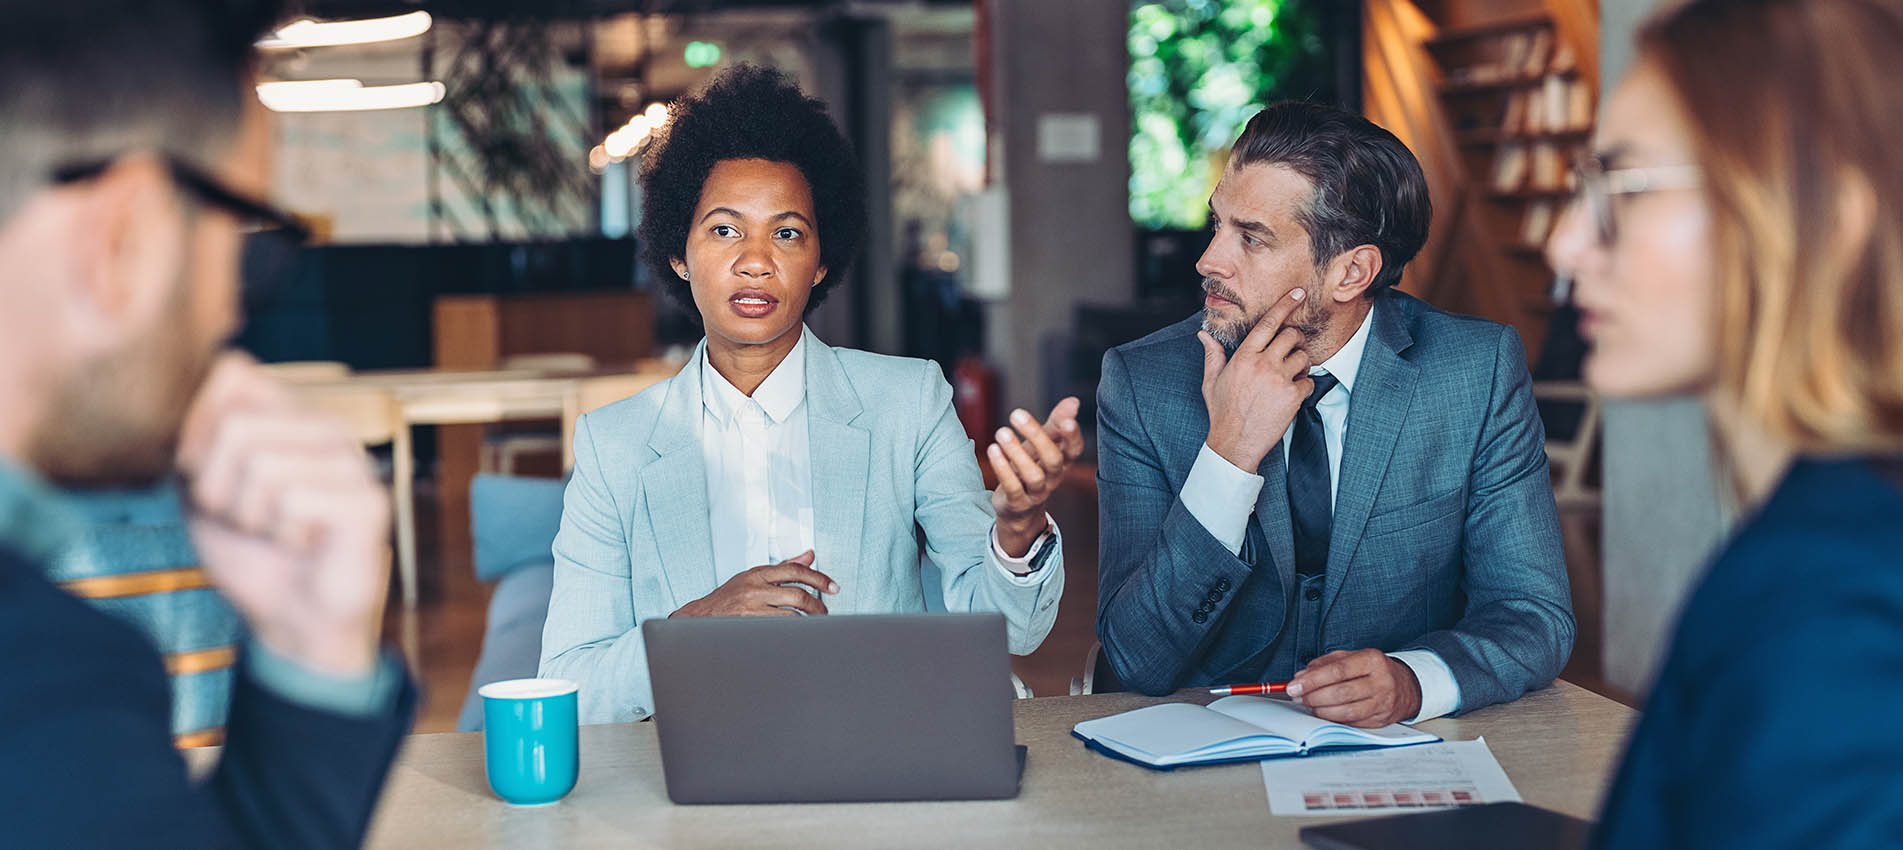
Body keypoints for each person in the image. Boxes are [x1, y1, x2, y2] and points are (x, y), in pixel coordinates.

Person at [539, 66, 1081, 724]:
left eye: (787, 232)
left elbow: (1010, 632)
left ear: (821, 260)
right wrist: (699, 624)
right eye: (724, 229)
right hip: (698, 754)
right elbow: (571, 683)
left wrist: (1017, 528)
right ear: (678, 254)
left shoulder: (906, 401)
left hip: (877, 742)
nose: (756, 259)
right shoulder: (614, 445)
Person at [0, 0, 414, 846]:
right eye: (247, 241)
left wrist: (307, 650)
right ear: (125, 238)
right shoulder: (42, 681)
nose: (229, 310)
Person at [1544, 1, 1903, 846]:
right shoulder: (1825, 535)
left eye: (1622, 187)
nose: (1564, 245)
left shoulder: (1828, 591)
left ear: (1827, 217)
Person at [1095, 101, 1575, 727]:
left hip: (1400, 765)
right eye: (1217, 224)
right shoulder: (1143, 382)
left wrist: (1412, 681)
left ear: (1352, 272)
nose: (1209, 260)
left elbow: (1532, 612)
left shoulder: (1474, 371)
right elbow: (1134, 657)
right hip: (1201, 756)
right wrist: (1229, 456)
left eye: (1251, 237)